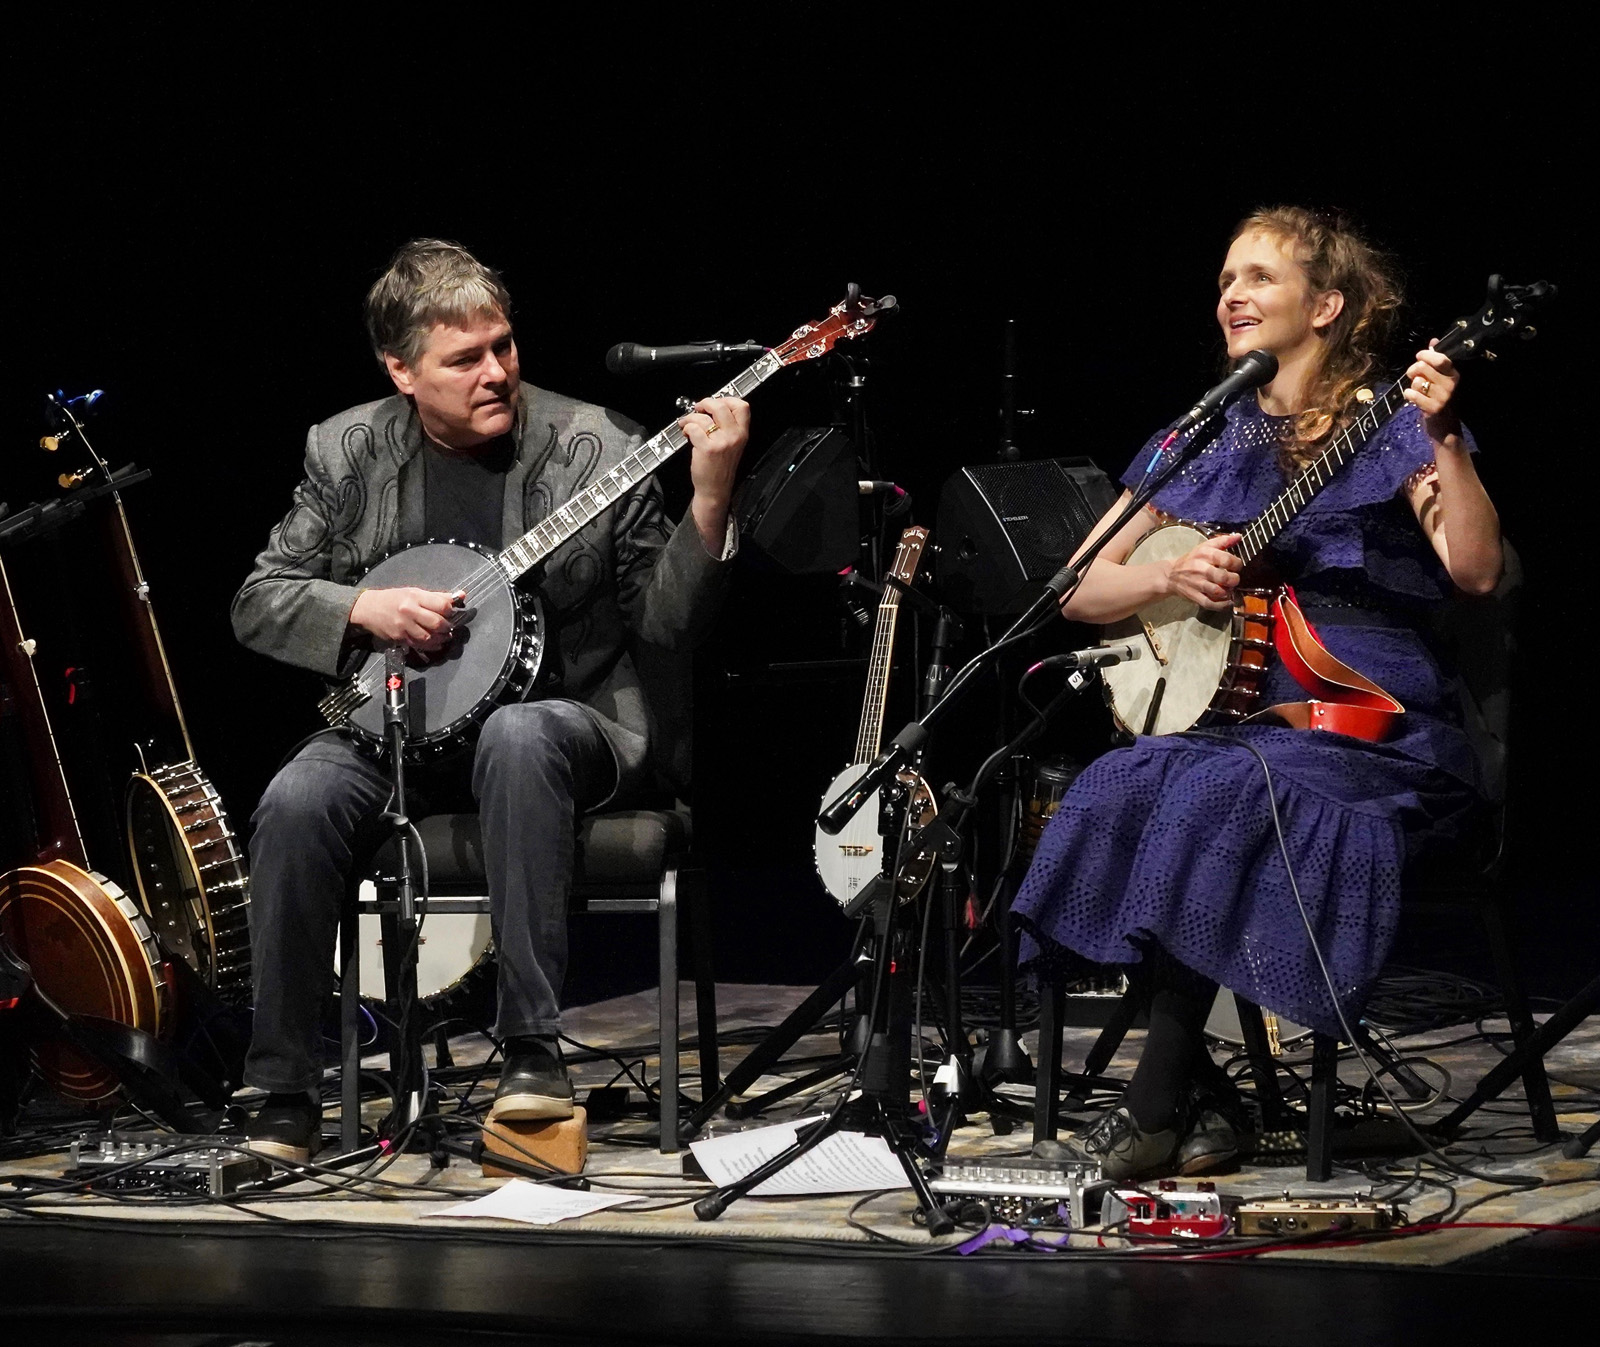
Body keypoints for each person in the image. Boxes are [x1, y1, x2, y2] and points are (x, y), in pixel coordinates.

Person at [231, 239, 749, 1161]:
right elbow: (258, 598)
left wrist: (710, 496)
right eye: (464, 358)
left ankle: (531, 1059)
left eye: (504, 346)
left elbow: (667, 627)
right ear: (401, 370)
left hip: (568, 717)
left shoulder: (596, 446)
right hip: (394, 726)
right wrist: (363, 606)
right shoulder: (346, 450)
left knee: (517, 734)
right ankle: (281, 1091)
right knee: (294, 800)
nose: (496, 372)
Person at [1015, 206, 1502, 1180]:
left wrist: (1442, 434)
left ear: (1326, 305)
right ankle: (1207, 1096)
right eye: (1226, 278)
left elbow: (1476, 570)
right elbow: (1073, 590)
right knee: (1119, 782)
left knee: (1212, 790)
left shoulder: (1396, 423)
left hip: (1373, 736)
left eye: (1259, 278)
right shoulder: (1197, 436)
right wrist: (1167, 576)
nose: (1230, 294)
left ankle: (1154, 1107)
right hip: (1240, 731)